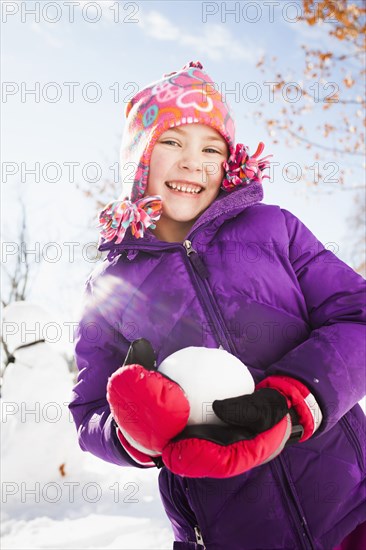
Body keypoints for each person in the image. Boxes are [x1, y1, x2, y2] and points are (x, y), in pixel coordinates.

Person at [69, 61, 366, 550]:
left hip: (348, 507)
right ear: (139, 159)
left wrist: (290, 402)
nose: (193, 163)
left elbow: (356, 314)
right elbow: (89, 411)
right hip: (227, 532)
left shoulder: (273, 230)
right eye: (172, 142)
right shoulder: (110, 285)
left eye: (211, 148)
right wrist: (139, 428)